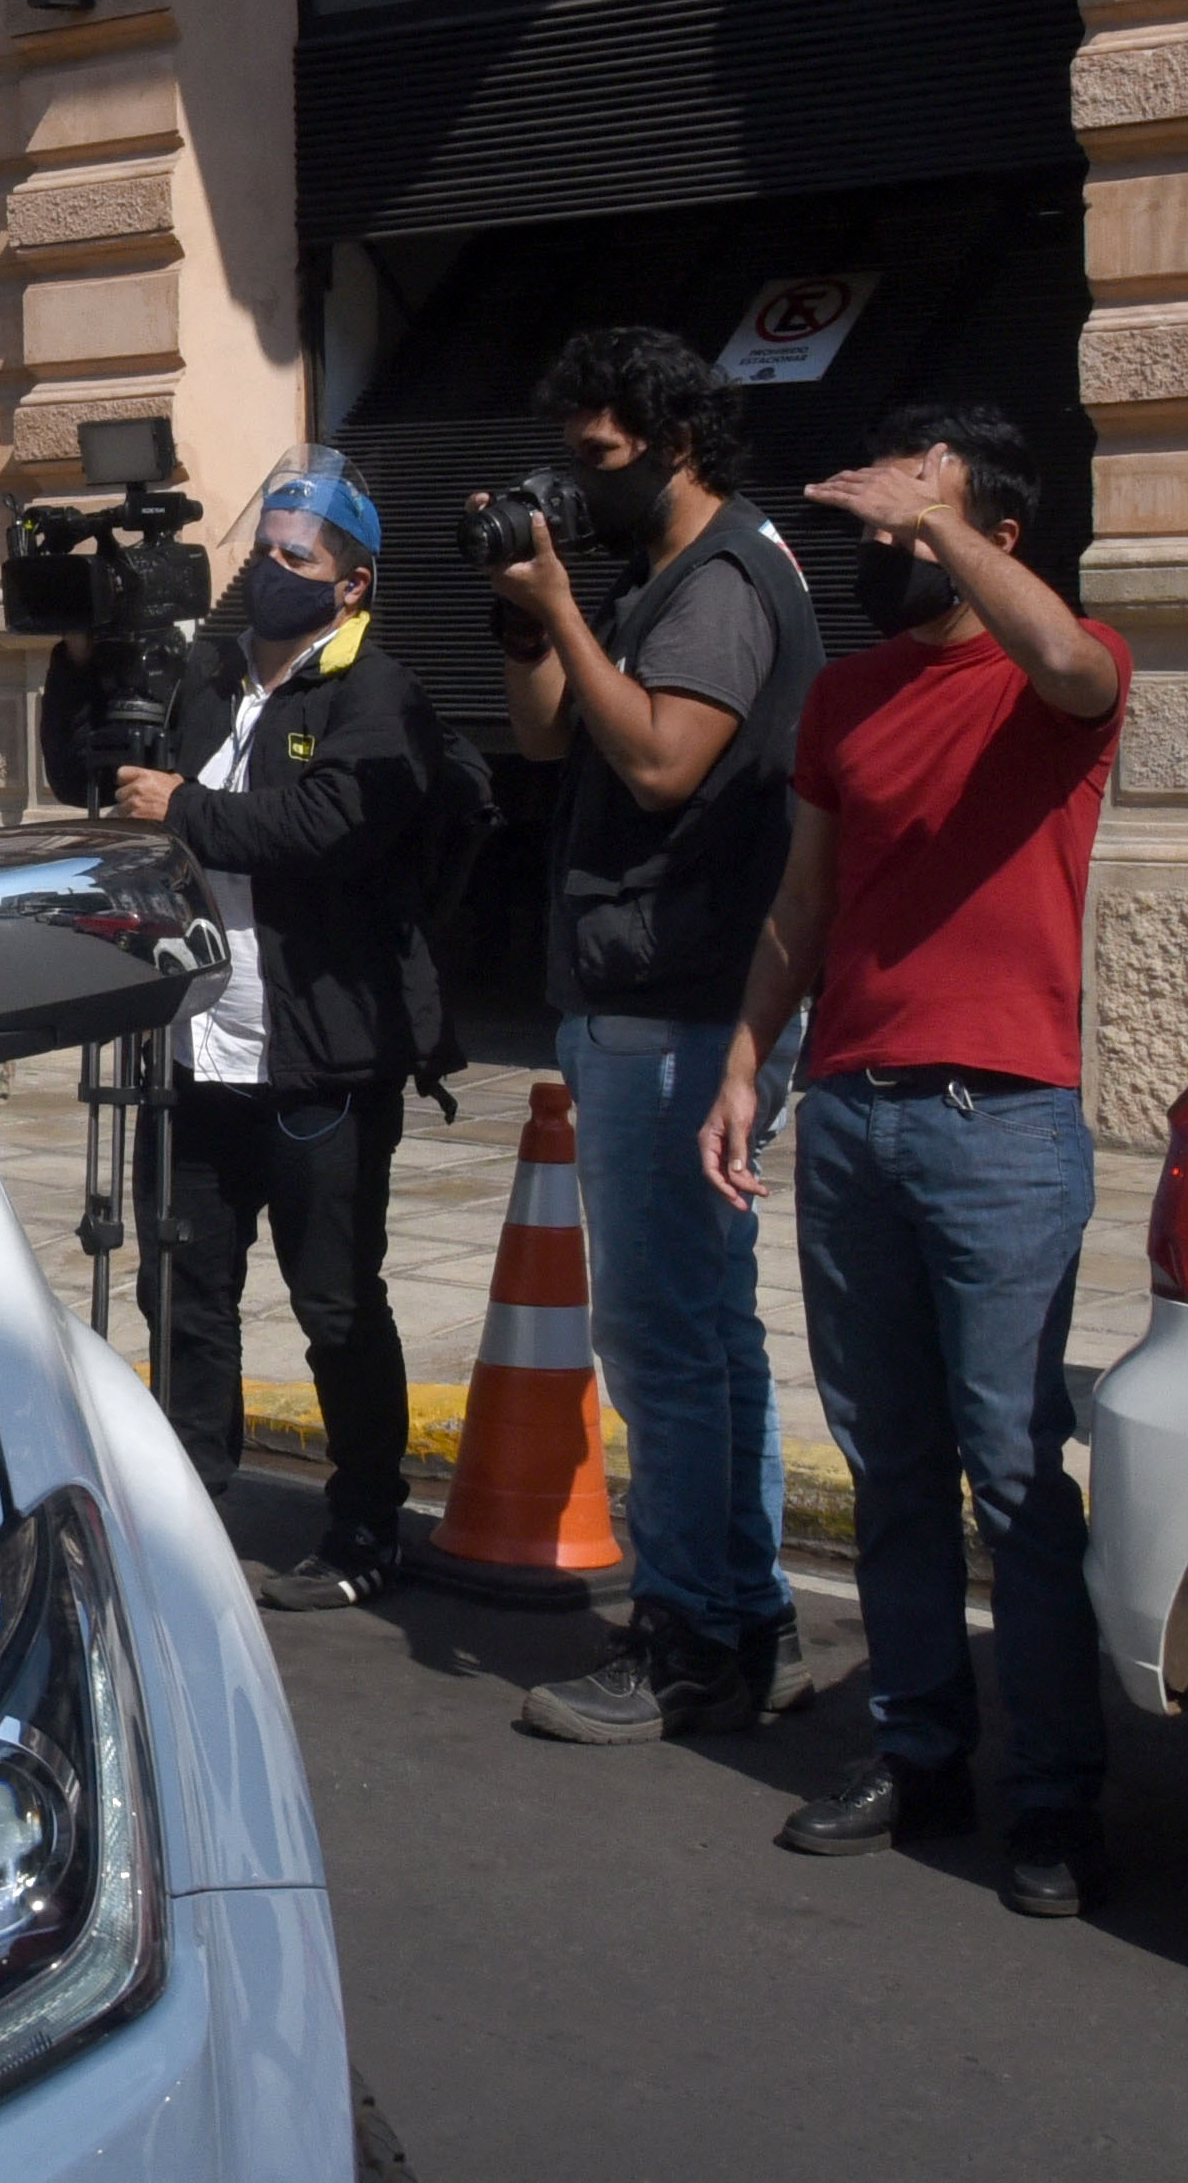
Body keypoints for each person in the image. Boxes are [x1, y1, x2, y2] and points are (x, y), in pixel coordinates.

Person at [700, 405, 1131, 1917]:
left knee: (1013, 1471)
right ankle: (920, 1748)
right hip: (856, 1114)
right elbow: (804, 899)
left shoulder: (1064, 675)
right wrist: (752, 1060)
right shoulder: (847, 702)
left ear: (997, 541)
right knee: (893, 1462)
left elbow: (1072, 665)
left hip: (1000, 1127)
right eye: (878, 526)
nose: (885, 548)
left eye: (919, 524)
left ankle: (1058, 1796)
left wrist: (941, 520)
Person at [494, 321, 824, 1749]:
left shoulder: (723, 582)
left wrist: (567, 607)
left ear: (674, 440)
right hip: (651, 992)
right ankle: (744, 1613)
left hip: (677, 1004)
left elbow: (660, 756)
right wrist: (532, 618)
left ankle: (691, 1640)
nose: (578, 485)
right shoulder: (655, 581)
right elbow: (547, 739)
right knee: (708, 1332)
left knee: (663, 1339)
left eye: (601, 460)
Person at [104, 454, 465, 1606]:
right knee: (186, 1283)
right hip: (201, 1048)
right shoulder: (207, 680)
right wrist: (86, 665)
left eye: (296, 557)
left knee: (335, 1299)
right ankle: (192, 1502)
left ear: (350, 586)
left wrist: (188, 809)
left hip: (321, 1054)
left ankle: (365, 1524)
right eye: (262, 546)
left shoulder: (374, 693)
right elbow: (110, 775)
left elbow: (331, 824)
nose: (269, 568)